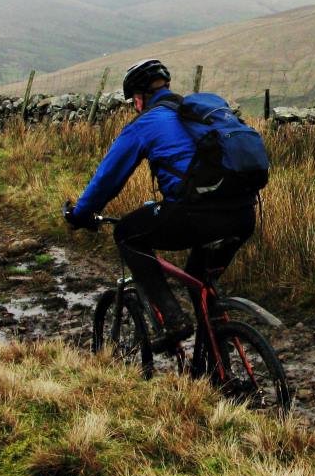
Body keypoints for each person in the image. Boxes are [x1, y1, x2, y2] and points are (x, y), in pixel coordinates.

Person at [64, 59, 257, 350]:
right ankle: (218, 368)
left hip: (195, 215)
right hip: (243, 215)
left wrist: (81, 214)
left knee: (127, 234)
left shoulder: (147, 122)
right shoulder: (196, 115)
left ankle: (173, 319)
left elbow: (108, 176)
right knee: (198, 280)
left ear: (139, 98)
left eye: (134, 101)